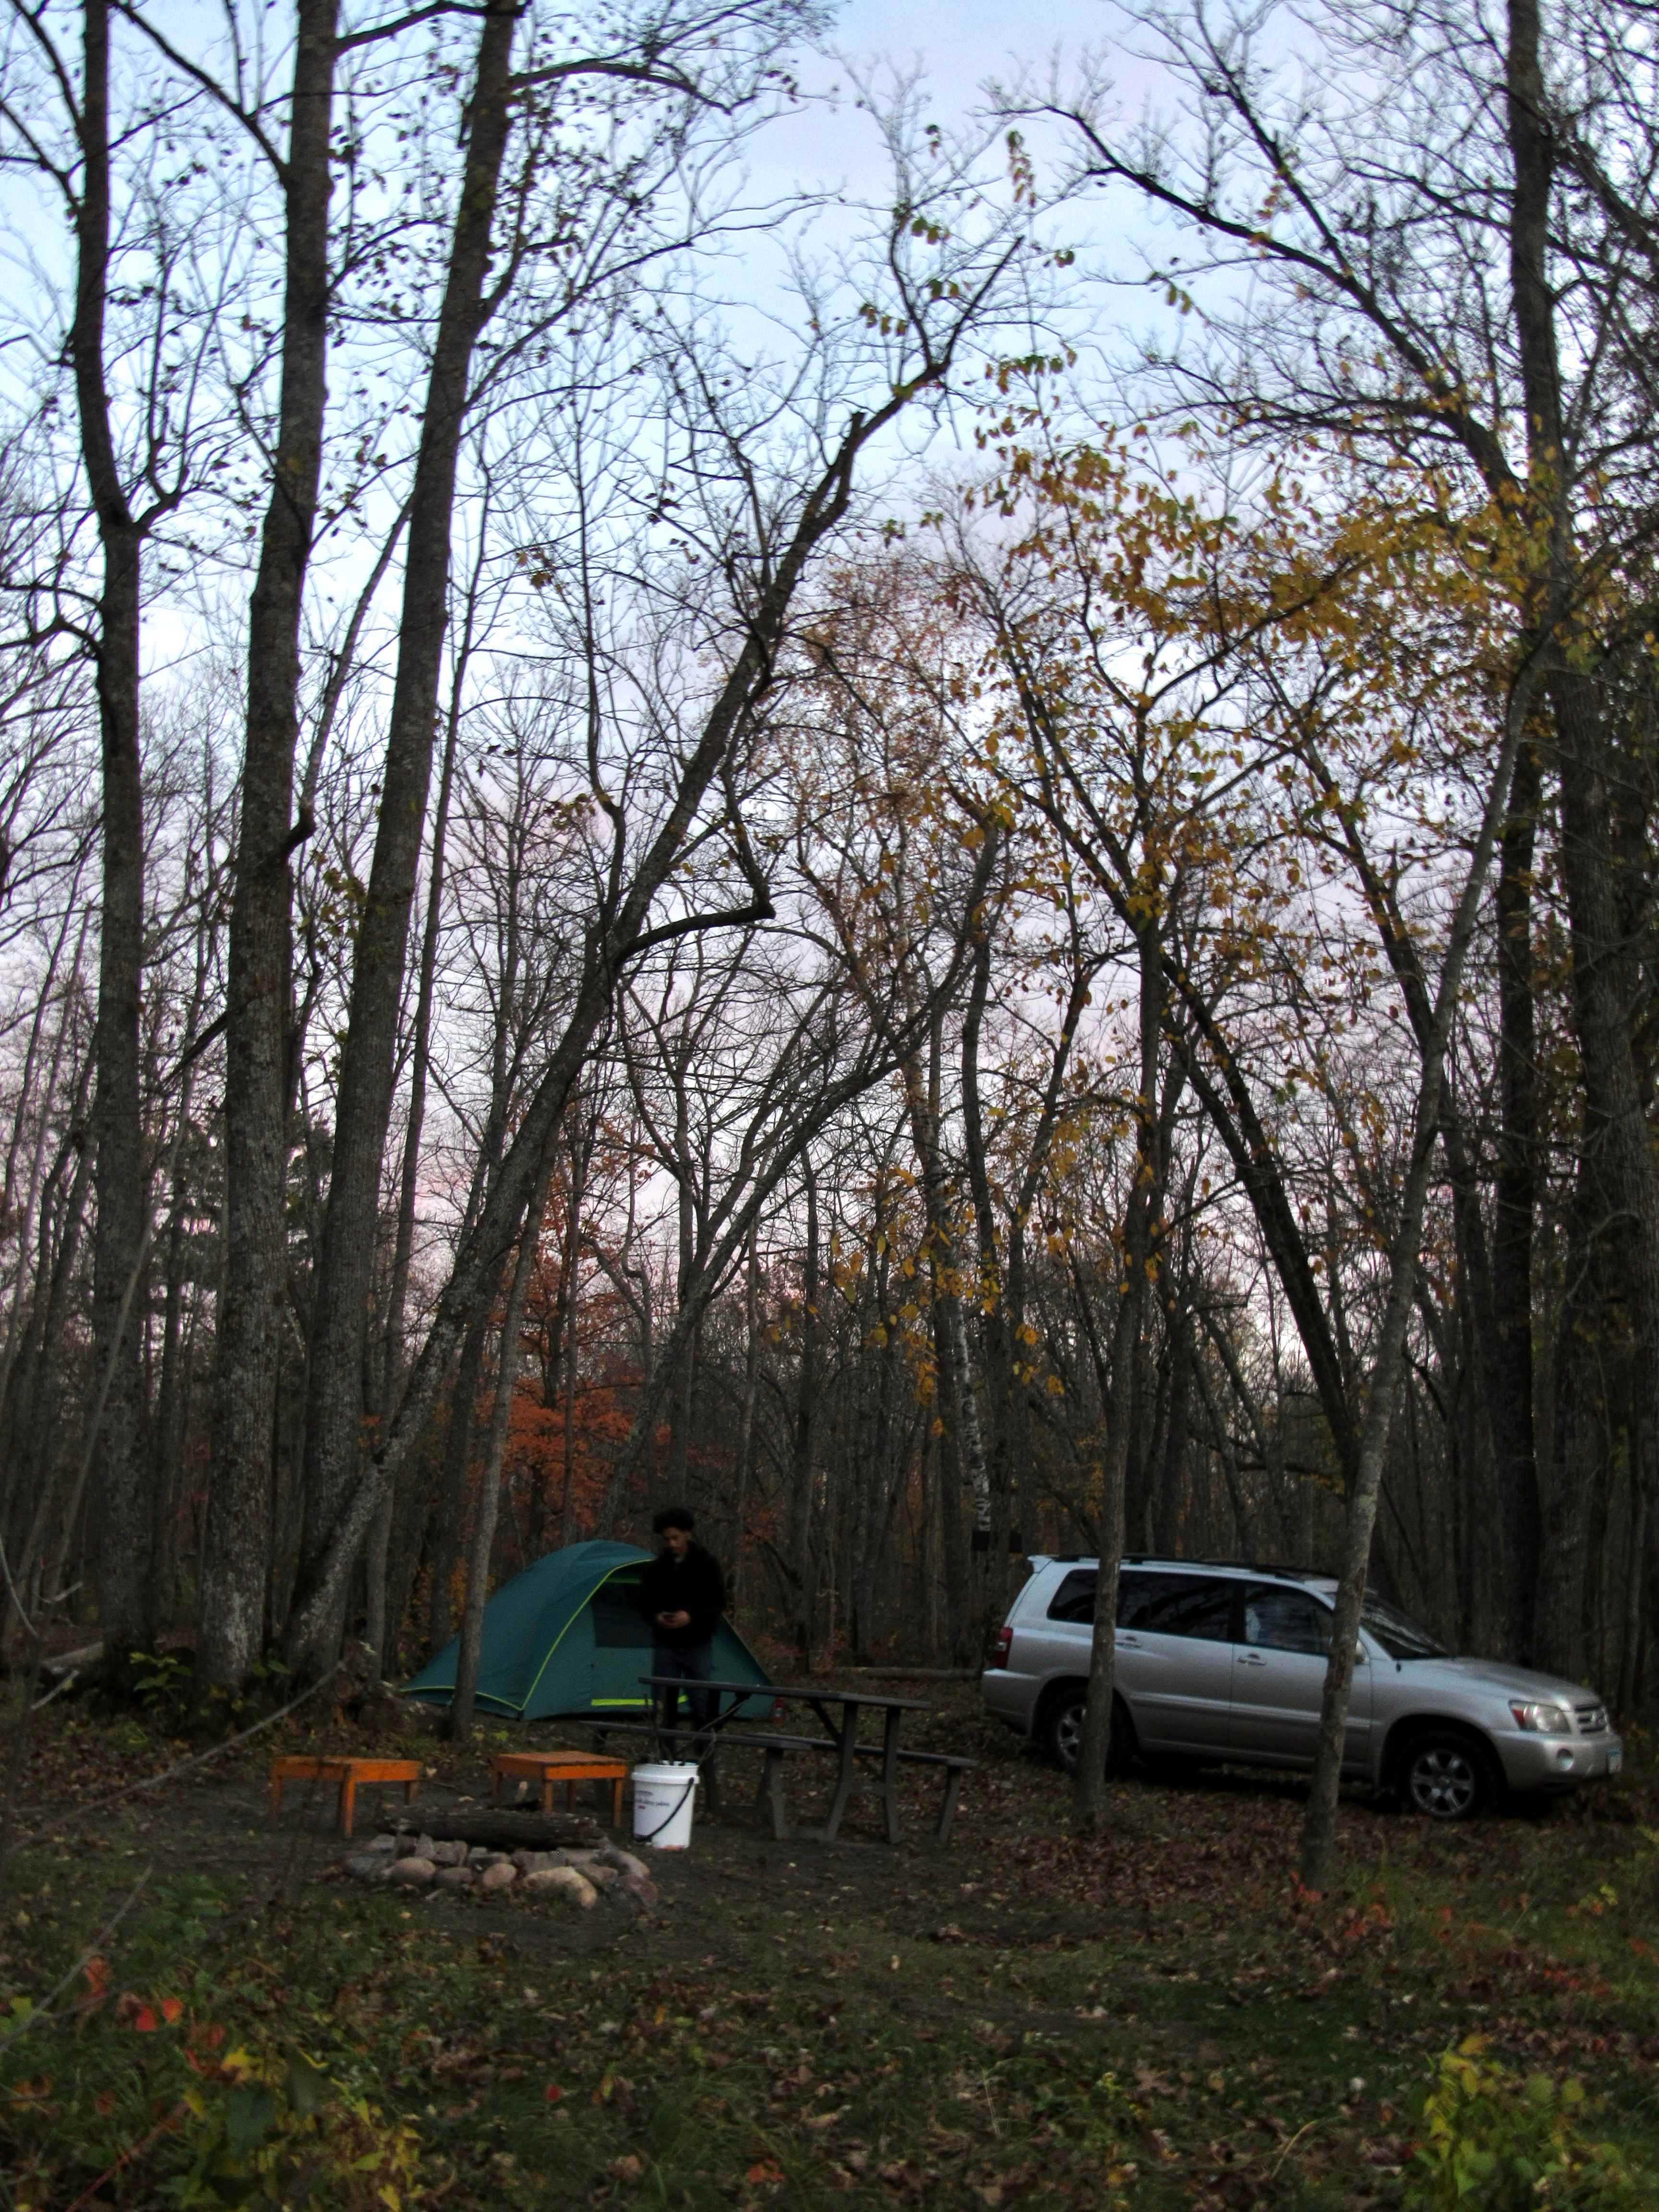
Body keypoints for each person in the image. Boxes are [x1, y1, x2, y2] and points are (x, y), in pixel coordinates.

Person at [637, 1506, 725, 1741]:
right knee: (662, 1702)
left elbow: (717, 1604)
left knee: (700, 1702)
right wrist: (657, 1617)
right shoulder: (657, 1569)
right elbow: (644, 1603)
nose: (672, 1544)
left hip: (697, 1643)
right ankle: (664, 1752)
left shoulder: (707, 1565)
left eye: (676, 1538)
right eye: (667, 1540)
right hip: (666, 1644)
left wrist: (691, 1617)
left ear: (687, 1534)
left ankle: (702, 1754)